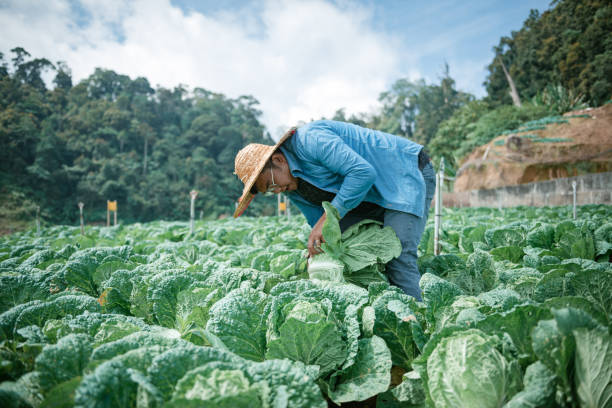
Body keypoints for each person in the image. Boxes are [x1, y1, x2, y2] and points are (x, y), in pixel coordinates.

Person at [233, 120, 436, 300]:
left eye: (271, 183)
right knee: (357, 254)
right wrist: (320, 252)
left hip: (403, 174)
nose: (276, 191)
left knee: (398, 256)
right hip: (370, 197)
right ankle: (390, 313)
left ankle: (417, 323)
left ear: (278, 160)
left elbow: (362, 173)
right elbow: (322, 225)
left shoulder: (311, 140)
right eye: (269, 192)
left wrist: (326, 221)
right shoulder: (291, 189)